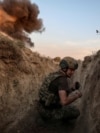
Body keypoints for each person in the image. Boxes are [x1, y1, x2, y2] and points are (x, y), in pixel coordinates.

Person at [38, 56, 82, 122]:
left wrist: (72, 89)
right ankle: (57, 121)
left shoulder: (54, 75)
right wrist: (77, 95)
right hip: (49, 113)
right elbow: (64, 102)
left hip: (41, 107)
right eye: (71, 70)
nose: (73, 72)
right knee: (76, 111)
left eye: (74, 70)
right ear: (65, 68)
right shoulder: (62, 80)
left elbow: (58, 92)